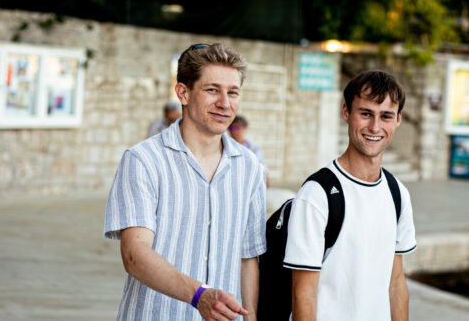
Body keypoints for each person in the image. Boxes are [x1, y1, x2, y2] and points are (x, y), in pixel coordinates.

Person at [104, 43, 267, 321]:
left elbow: (248, 257)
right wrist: (198, 295)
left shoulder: (250, 167)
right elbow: (134, 253)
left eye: (233, 92)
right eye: (212, 89)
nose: (225, 103)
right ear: (183, 92)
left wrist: (249, 318)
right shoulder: (143, 160)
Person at [283, 70, 417, 321]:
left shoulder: (398, 192)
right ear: (346, 112)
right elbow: (303, 295)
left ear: (398, 120)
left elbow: (396, 283)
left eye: (385, 116)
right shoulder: (316, 194)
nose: (375, 127)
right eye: (365, 114)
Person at [228, 115, 269, 186]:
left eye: (237, 128)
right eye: (231, 128)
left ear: (244, 129)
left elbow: (262, 168)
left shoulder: (253, 148)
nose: (234, 131)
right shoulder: (224, 146)